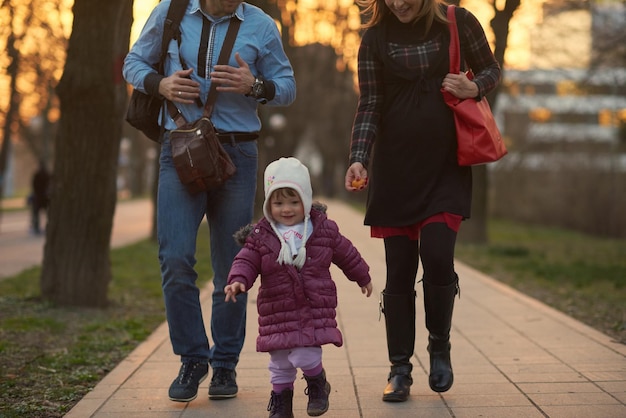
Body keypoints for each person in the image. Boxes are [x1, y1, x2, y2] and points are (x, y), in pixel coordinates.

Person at [122, 0, 296, 403]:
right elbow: (134, 62)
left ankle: (224, 365)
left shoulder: (261, 25)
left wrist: (255, 85)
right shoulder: (170, 11)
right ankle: (193, 358)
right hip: (181, 148)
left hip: (238, 153)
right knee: (176, 257)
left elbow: (287, 87)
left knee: (231, 268)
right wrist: (159, 84)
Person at [344, 0, 501, 403]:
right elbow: (370, 104)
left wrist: (475, 86)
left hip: (446, 168)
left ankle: (439, 346)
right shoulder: (374, 39)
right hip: (395, 170)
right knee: (398, 271)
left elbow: (491, 69)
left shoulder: (457, 22)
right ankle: (399, 368)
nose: (399, 3)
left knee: (436, 255)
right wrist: (359, 158)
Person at [225, 157, 373, 417]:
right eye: (278, 202)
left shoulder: (321, 229)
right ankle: (281, 402)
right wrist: (238, 280)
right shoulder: (262, 235)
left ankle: (317, 384)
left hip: (312, 306)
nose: (286, 209)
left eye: (294, 201)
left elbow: (346, 253)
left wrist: (362, 276)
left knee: (305, 356)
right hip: (277, 308)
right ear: (268, 203)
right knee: (280, 361)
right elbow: (246, 260)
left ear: (305, 199)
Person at [30, 160, 51, 235]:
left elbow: (34, 186)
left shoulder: (38, 175)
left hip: (40, 198)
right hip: (44, 198)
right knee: (44, 213)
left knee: (36, 213)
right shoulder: (47, 174)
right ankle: (38, 226)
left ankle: (36, 227)